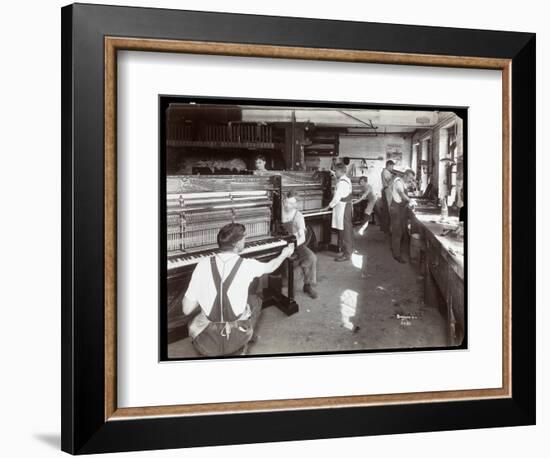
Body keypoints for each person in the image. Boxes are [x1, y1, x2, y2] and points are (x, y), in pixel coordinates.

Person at [182, 223, 294, 356]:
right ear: (237, 244)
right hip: (236, 339)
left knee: (202, 314)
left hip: (206, 343)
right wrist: (284, 254)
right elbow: (271, 267)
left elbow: (186, 309)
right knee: (255, 300)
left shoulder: (202, 265)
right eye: (244, 238)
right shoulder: (247, 265)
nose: (245, 241)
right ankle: (245, 338)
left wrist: (206, 295)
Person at [281, 191, 318, 299]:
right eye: (287, 203)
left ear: (296, 204)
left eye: (292, 204)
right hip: (280, 245)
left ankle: (307, 285)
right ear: (284, 201)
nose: (288, 206)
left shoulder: (298, 216)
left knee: (311, 257)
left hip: (296, 244)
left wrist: (294, 245)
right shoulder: (279, 212)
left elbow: (302, 237)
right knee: (286, 278)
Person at [323, 162, 353, 262]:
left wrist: (328, 207)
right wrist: (331, 172)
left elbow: (336, 198)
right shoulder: (344, 179)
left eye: (336, 171)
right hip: (344, 207)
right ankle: (345, 251)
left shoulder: (342, 182)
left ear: (340, 171)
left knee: (345, 232)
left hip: (344, 209)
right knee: (344, 231)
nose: (335, 173)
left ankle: (347, 254)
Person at [390, 169, 415, 263]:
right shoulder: (398, 182)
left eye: (412, 179)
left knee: (400, 231)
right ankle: (396, 254)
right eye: (410, 178)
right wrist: (410, 200)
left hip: (400, 209)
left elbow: (404, 192)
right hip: (396, 209)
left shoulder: (403, 182)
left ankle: (395, 248)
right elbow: (401, 193)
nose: (410, 180)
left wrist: (411, 185)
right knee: (397, 231)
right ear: (405, 175)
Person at [380, 160, 395, 233]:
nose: (392, 168)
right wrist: (394, 177)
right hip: (386, 191)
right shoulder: (385, 172)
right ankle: (386, 229)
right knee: (387, 210)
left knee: (386, 210)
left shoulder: (387, 172)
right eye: (392, 166)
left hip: (387, 191)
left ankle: (386, 228)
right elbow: (389, 182)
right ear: (388, 165)